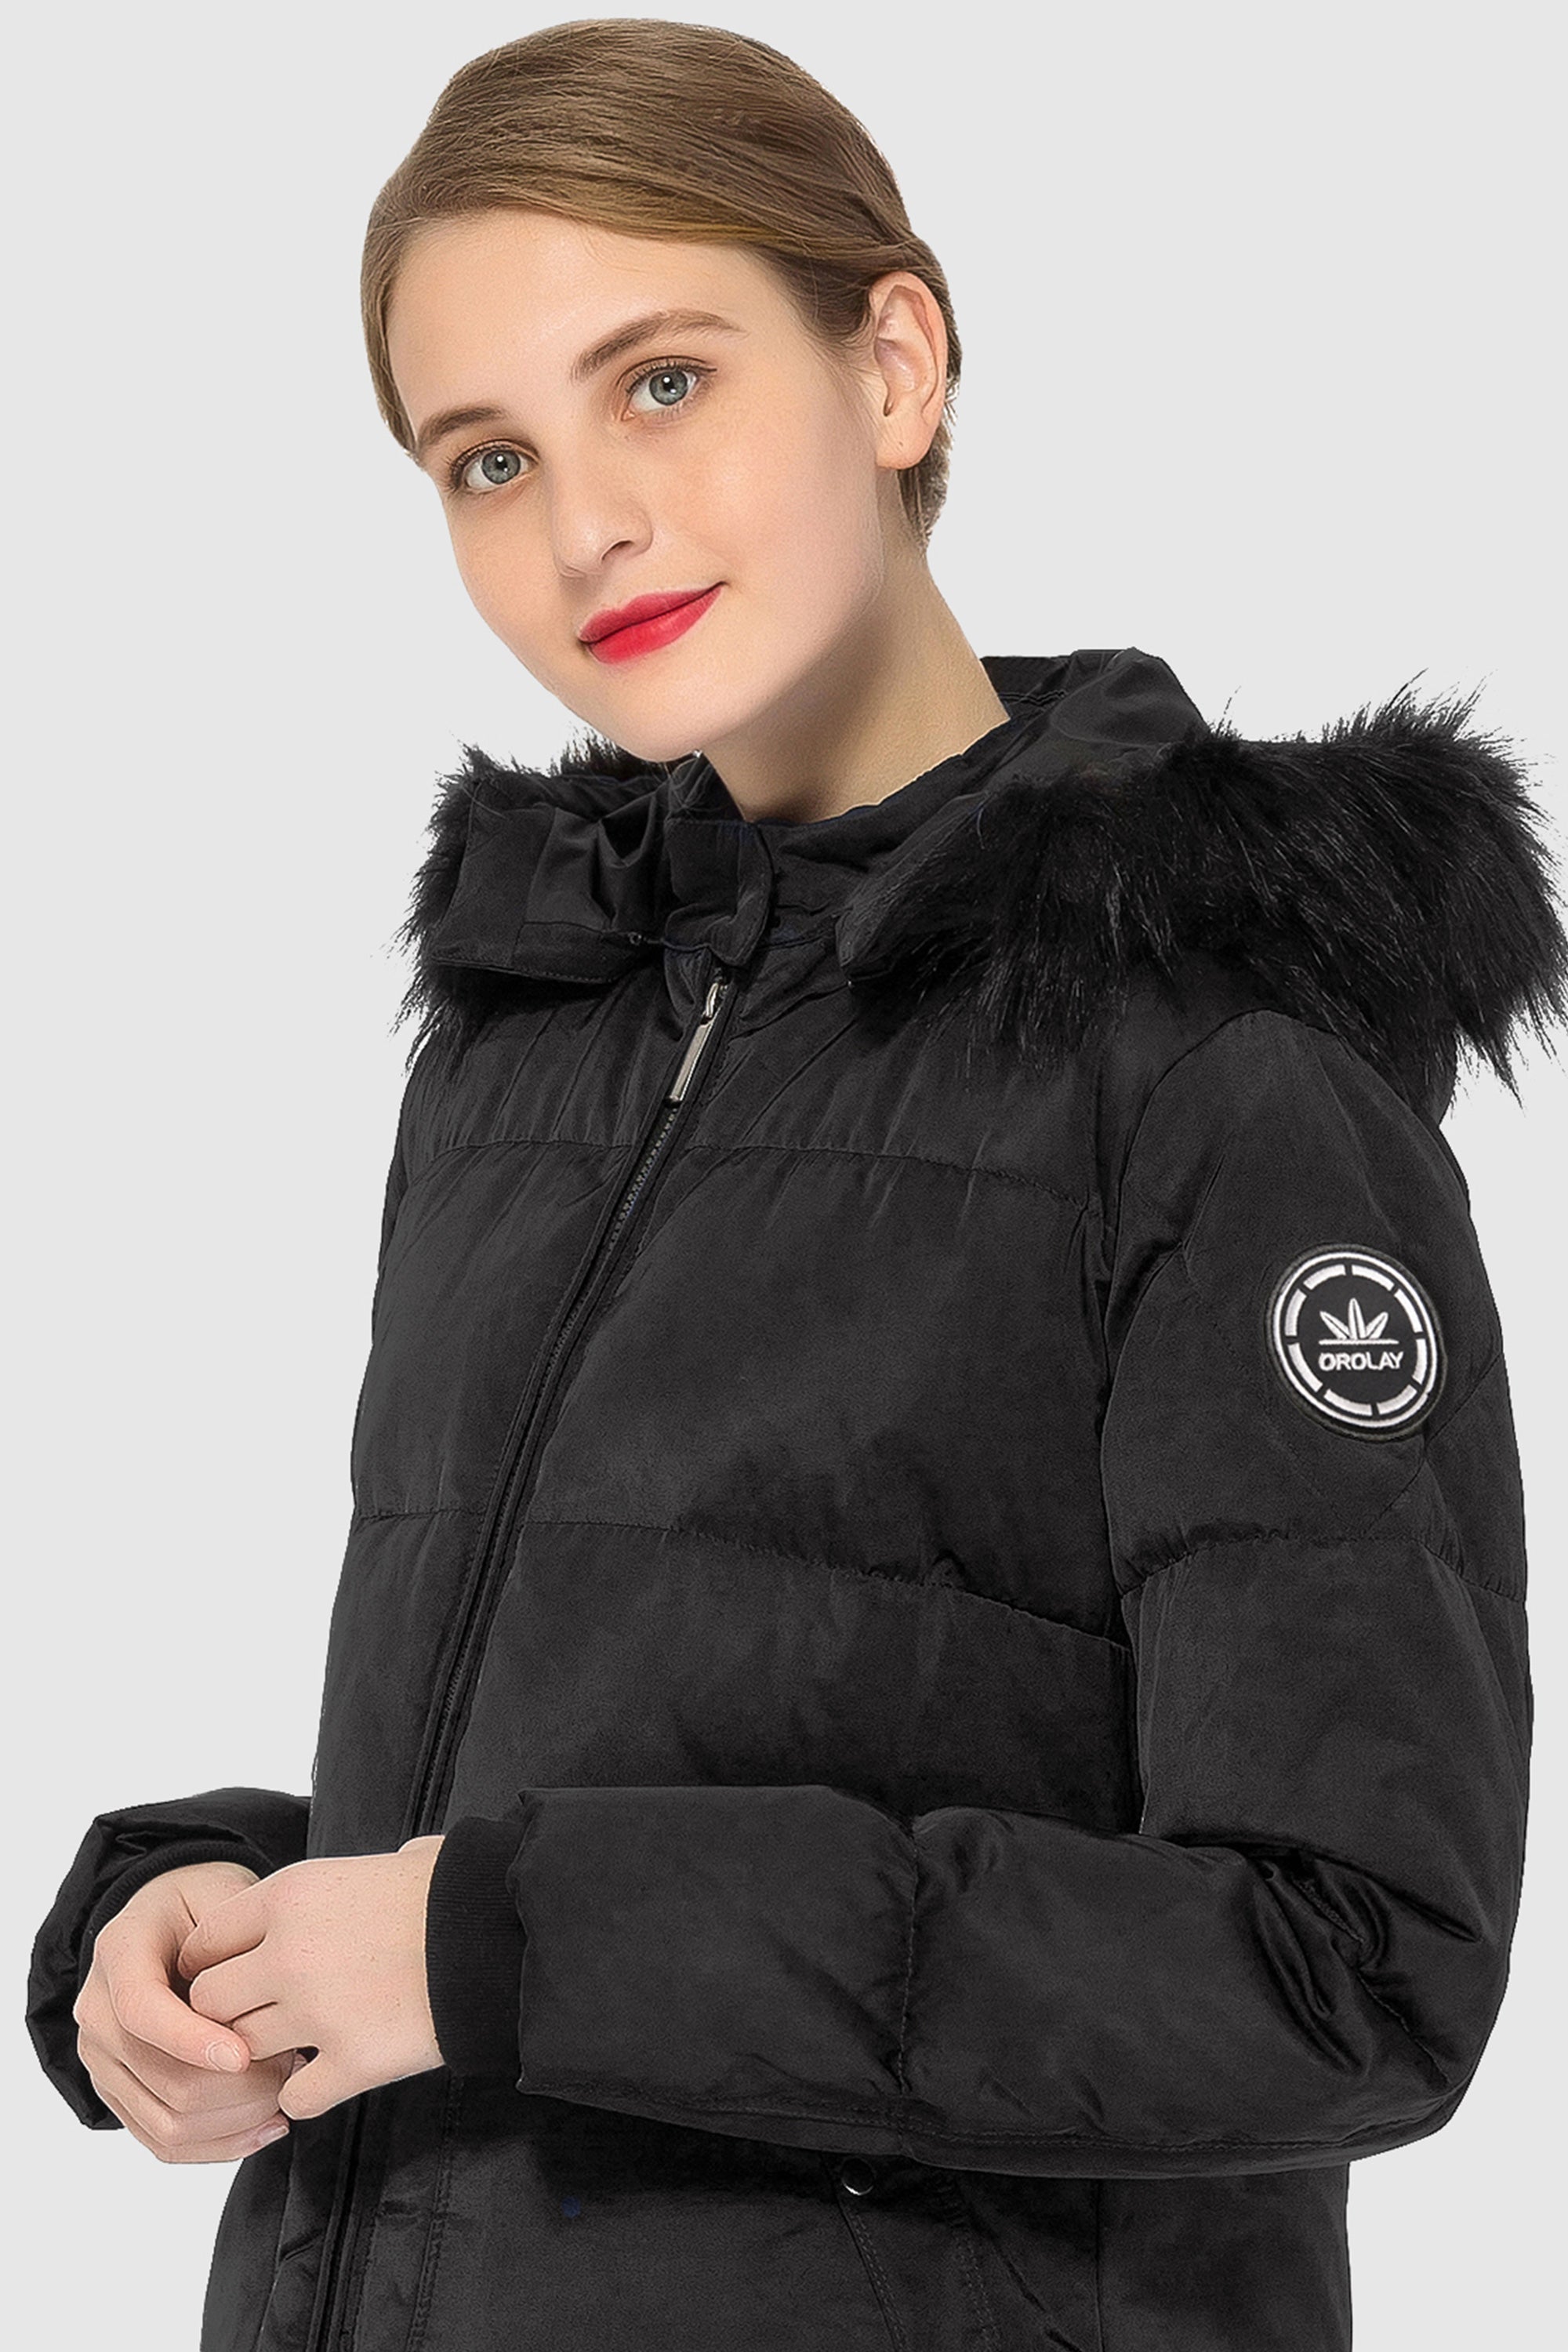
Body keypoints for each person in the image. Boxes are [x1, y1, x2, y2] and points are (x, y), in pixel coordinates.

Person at [27, 19, 1564, 2352]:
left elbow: (1346, 1969)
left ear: (895, 364)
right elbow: (602, 1780)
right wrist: (226, 1917)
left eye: (661, 383)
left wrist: (490, 1940)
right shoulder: (536, 1041)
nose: (583, 525)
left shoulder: (1218, 1071)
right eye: (487, 455)